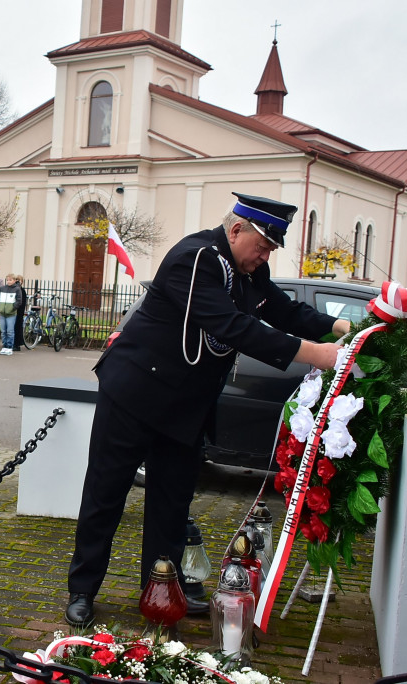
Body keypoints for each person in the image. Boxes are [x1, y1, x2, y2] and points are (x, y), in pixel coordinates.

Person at [64, 193, 352, 627]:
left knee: (171, 506)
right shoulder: (194, 258)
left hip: (185, 406)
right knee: (106, 494)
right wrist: (317, 354)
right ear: (237, 230)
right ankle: (82, 590)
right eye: (263, 246)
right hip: (136, 394)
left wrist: (339, 327)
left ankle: (161, 592)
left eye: (272, 250)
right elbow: (232, 326)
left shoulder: (249, 270)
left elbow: (282, 310)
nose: (265, 256)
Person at [0, 273, 23, 355]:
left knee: (10, 331)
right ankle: (4, 346)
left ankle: (9, 347)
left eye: (10, 280)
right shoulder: (2, 288)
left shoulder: (17, 289)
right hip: (2, 313)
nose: (8, 281)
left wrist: (13, 307)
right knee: (3, 331)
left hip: (11, 314)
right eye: (7, 280)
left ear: (14, 280)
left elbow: (19, 300)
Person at [13, 274, 28, 351]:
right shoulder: (13, 289)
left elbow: (22, 302)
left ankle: (17, 344)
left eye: (19, 280)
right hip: (13, 311)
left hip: (19, 312)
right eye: (16, 280)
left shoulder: (22, 291)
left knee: (18, 327)